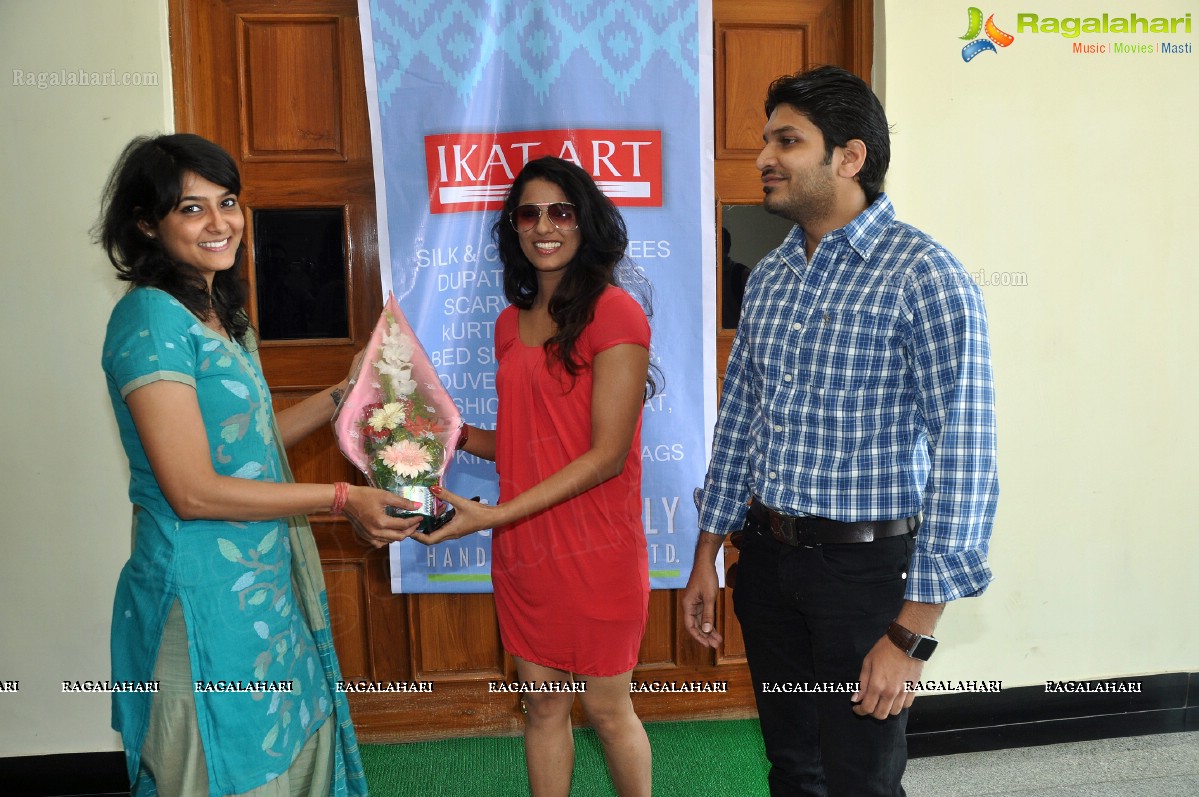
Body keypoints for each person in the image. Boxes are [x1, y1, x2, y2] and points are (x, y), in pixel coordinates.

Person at [682, 66, 999, 797]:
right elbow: (740, 422)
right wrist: (708, 549)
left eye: (786, 140)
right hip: (766, 564)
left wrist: (909, 634)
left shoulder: (924, 274)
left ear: (848, 157)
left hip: (866, 579)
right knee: (792, 768)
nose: (764, 157)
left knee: (861, 781)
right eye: (765, 139)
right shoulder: (770, 277)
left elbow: (966, 454)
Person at [96, 133, 423, 797]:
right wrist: (341, 498)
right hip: (199, 594)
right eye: (192, 209)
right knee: (218, 769)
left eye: (229, 202)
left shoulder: (218, 314)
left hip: (262, 587)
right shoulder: (149, 321)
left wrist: (341, 390)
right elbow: (192, 489)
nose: (220, 223)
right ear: (145, 223)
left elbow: (250, 439)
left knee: (286, 748)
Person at [418, 157, 654, 797]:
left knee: (607, 711)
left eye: (561, 212)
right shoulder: (507, 324)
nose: (543, 227)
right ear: (513, 228)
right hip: (526, 549)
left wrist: (494, 514)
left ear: (586, 223)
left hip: (596, 547)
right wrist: (443, 431)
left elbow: (605, 455)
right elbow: (522, 445)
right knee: (543, 708)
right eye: (529, 213)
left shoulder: (616, 313)